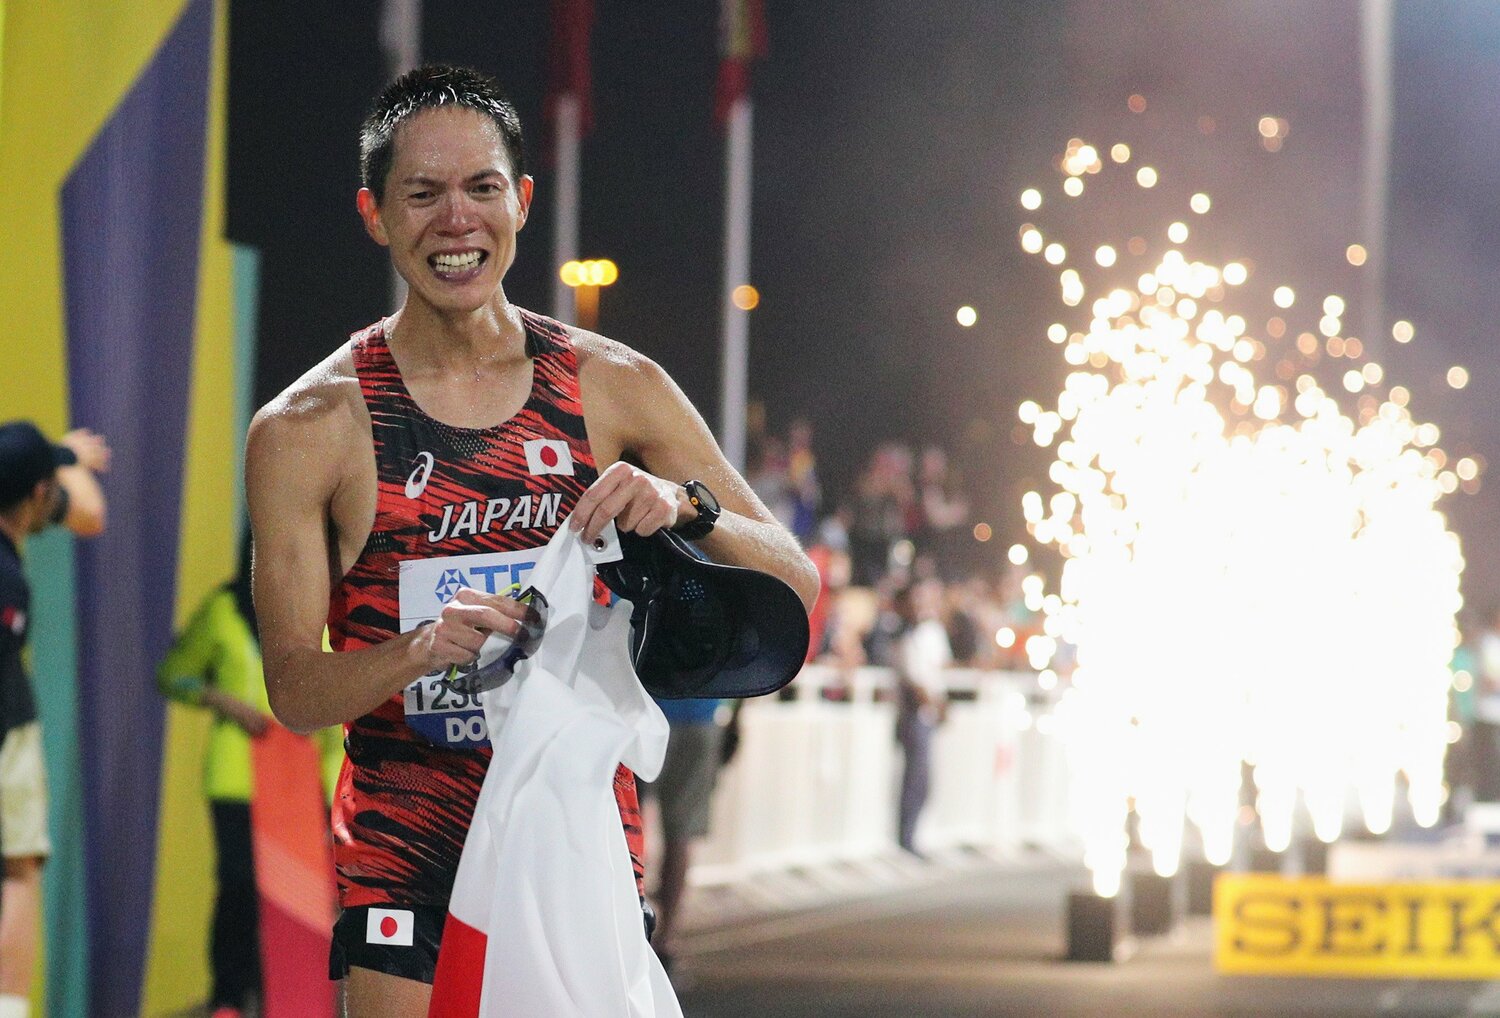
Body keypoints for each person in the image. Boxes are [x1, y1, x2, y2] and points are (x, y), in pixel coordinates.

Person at [244, 64, 818, 1016]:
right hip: (409, 855)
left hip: (573, 853)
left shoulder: (613, 385)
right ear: (374, 213)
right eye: (422, 194)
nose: (456, 221)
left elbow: (794, 581)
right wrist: (419, 650)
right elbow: (295, 691)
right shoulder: (309, 428)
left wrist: (686, 506)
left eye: (481, 188)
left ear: (521, 201)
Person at [157, 535, 344, 1018]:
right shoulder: (223, 609)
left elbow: (336, 715)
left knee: (304, 897)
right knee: (239, 889)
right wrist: (222, 700)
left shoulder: (325, 613)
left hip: (303, 785)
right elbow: (172, 676)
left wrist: (333, 800)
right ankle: (230, 999)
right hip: (237, 776)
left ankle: (296, 1001)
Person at [0, 422, 109, 1018]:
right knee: (17, 870)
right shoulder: (8, 580)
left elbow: (87, 513)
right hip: (7, 726)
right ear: (40, 492)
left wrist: (62, 454)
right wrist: (67, 456)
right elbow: (89, 510)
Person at [638, 697, 738, 981]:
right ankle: (666, 941)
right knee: (681, 833)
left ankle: (629, 930)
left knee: (632, 821)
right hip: (701, 716)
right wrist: (735, 719)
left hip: (646, 714)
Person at [891, 579, 952, 857]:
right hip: (913, 715)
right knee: (915, 777)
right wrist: (932, 702)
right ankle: (906, 837)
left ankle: (915, 835)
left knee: (924, 779)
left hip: (928, 716)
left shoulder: (932, 632)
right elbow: (914, 680)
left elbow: (940, 669)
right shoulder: (903, 634)